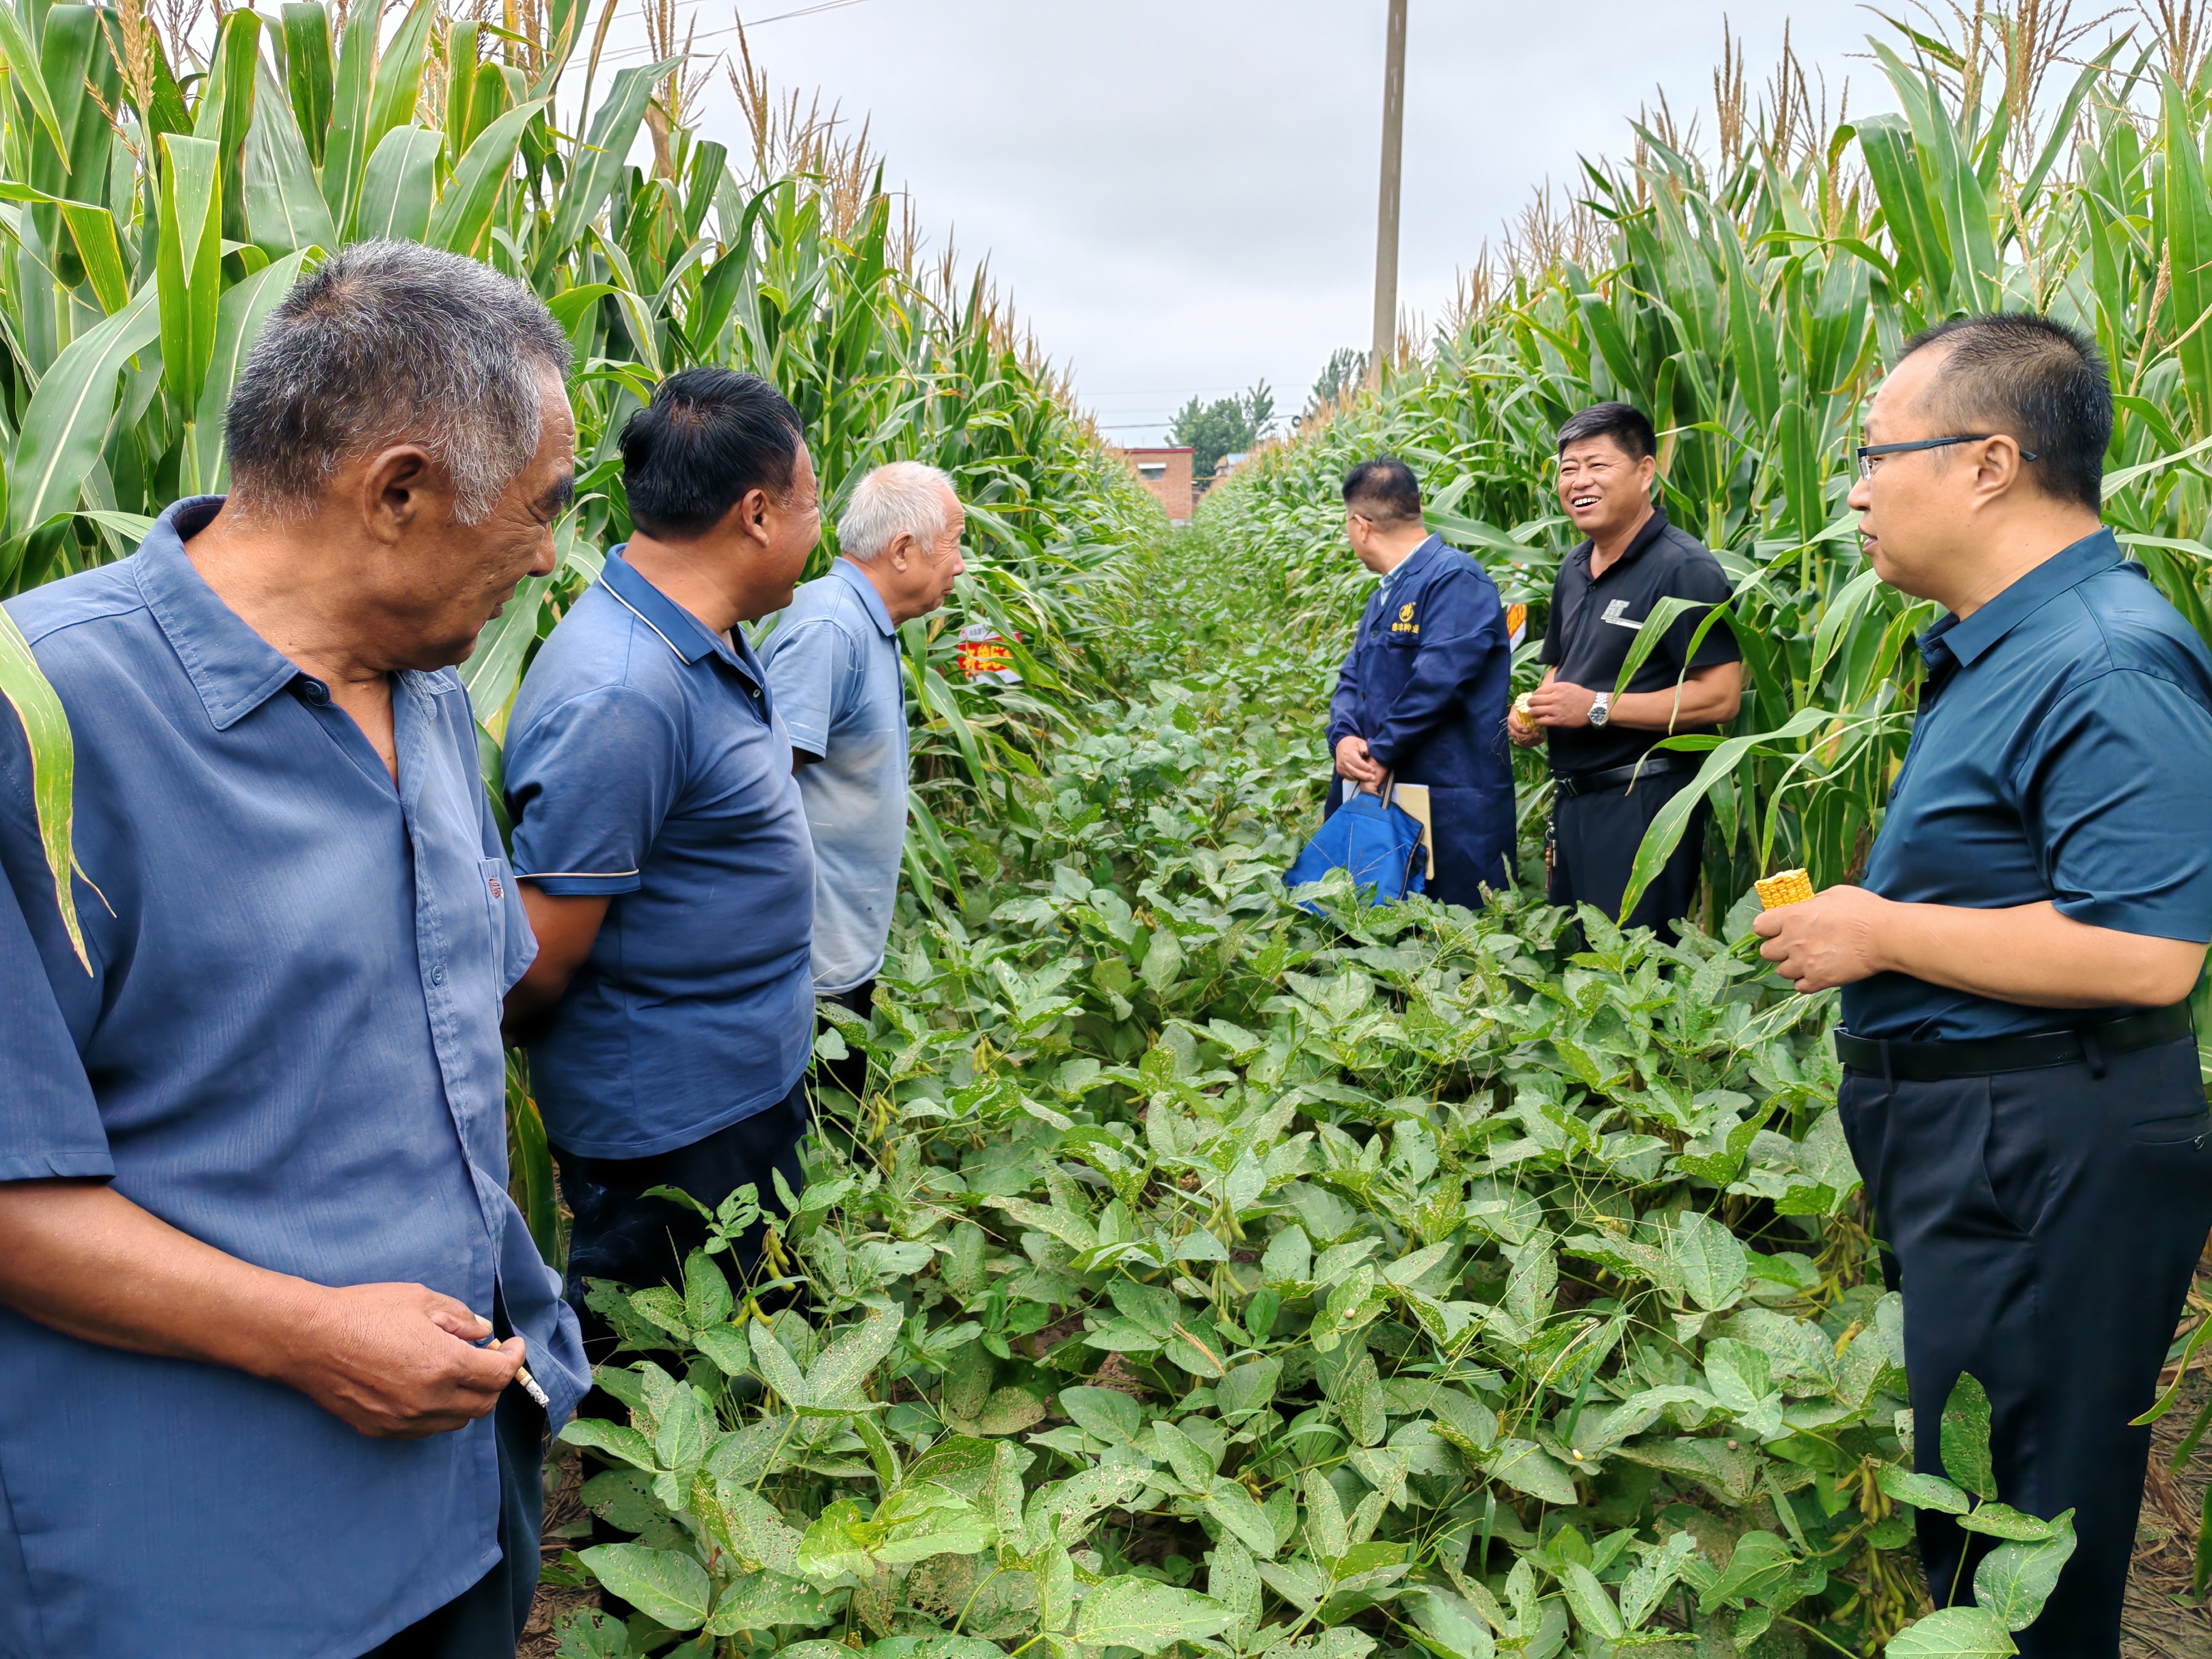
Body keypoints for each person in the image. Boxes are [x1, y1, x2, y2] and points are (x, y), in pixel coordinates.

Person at [0, 240, 587, 1659]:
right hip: (210, 1574)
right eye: (541, 510)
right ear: (397, 491)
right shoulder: (44, 722)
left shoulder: (430, 687)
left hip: (463, 1500)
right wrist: (309, 1334)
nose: (552, 554)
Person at [1754, 315, 2212, 1656]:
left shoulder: (2107, 658)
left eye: (1876, 453)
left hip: (2044, 1149)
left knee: (2031, 1523)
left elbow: (2148, 951)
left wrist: (1880, 932)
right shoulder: (2004, 640)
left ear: (1989, 462)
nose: (1854, 487)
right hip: (1994, 1146)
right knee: (1980, 1495)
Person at [501, 367, 820, 1353]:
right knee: (662, 1400)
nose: (821, 529)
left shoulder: (698, 638)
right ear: (758, 513)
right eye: (814, 504)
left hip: (735, 1091)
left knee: (748, 1368)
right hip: (673, 1132)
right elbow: (537, 959)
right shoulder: (624, 691)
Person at [760, 461, 965, 1097]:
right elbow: (760, 793)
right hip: (809, 968)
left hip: (839, 950)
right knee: (818, 1148)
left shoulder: (863, 622)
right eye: (955, 545)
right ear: (904, 550)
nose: (960, 566)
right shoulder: (830, 629)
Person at [1507, 402, 1741, 936]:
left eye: (1597, 465)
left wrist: (1592, 708)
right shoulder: (1573, 567)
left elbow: (1721, 697)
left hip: (1645, 810)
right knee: (1581, 968)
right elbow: (1562, 666)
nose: (1579, 481)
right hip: (1574, 805)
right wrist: (1536, 713)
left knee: (1633, 976)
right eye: (1568, 470)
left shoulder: (1683, 570)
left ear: (1644, 472)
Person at [1324, 456, 1516, 907]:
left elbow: (1439, 682)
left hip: (1451, 804)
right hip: (1384, 796)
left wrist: (1383, 751)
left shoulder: (1454, 579)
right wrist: (1344, 738)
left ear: (1360, 525)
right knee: (1380, 929)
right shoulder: (1386, 593)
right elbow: (1353, 678)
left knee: (1453, 943)